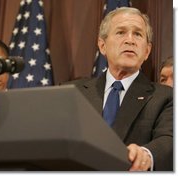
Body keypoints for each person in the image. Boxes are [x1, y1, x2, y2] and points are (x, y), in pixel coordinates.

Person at [68, 7, 173, 171]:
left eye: (138, 34)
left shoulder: (166, 97)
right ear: (102, 46)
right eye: (121, 32)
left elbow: (170, 139)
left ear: (147, 51)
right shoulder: (72, 93)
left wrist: (146, 154)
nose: (130, 40)